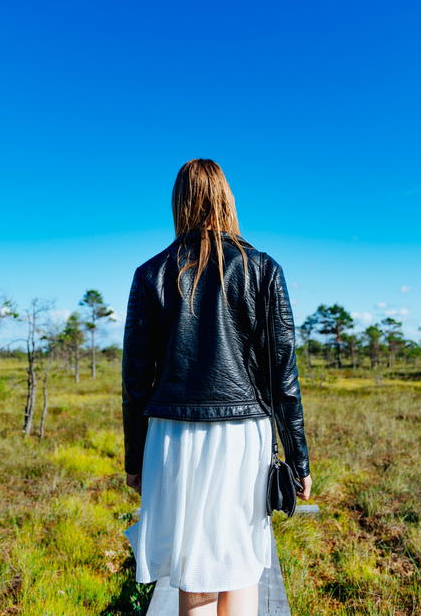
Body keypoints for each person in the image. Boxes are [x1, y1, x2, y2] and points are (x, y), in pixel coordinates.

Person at [121, 158, 312, 616]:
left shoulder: (151, 273)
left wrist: (134, 460)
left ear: (179, 203)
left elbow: (134, 380)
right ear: (227, 198)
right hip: (242, 433)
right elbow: (282, 374)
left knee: (195, 575)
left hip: (171, 435)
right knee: (240, 568)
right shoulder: (263, 269)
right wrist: (299, 458)